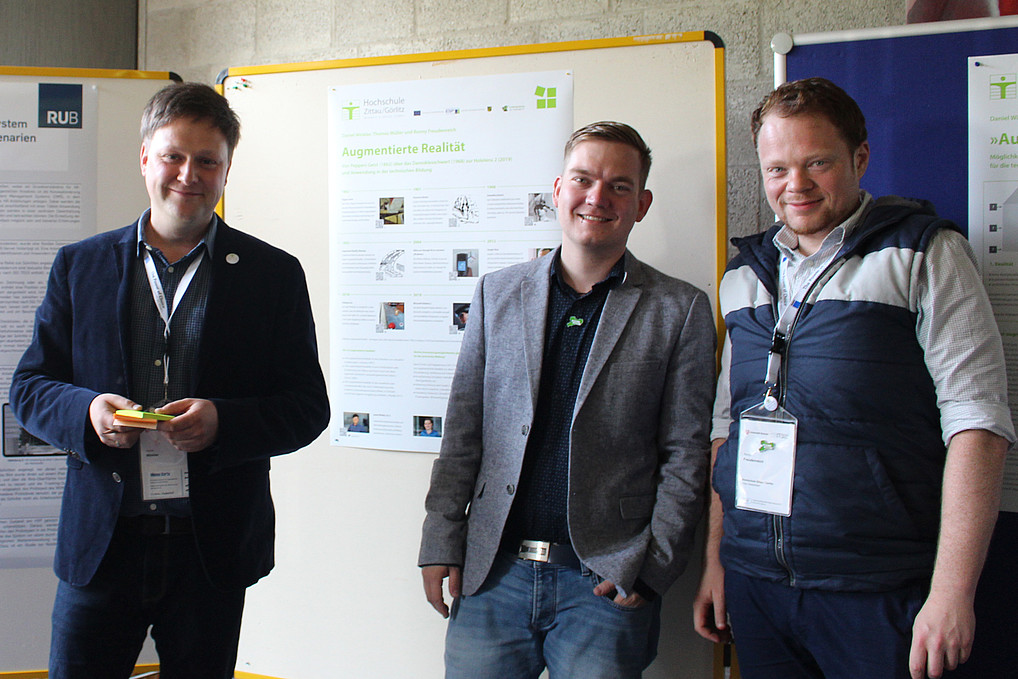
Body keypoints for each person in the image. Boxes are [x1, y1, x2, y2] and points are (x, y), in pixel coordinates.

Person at [693, 77, 1015, 679]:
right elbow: (724, 430)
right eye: (777, 169)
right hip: (757, 587)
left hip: (878, 589)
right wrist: (718, 560)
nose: (795, 185)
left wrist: (952, 592)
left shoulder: (924, 253)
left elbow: (978, 423)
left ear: (860, 158)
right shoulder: (743, 276)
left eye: (817, 162)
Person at [9, 82, 329, 679]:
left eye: (207, 160)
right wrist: (87, 413)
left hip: (209, 552)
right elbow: (28, 388)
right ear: (144, 159)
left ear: (227, 169)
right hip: (103, 547)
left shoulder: (272, 275)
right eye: (173, 156)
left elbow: (308, 407)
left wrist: (223, 423)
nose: (188, 175)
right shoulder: (81, 265)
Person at [419, 121, 716, 678]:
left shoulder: (679, 309)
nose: (597, 197)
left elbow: (686, 453)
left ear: (642, 204)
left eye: (619, 186)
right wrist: (441, 538)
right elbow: (463, 431)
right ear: (558, 191)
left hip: (604, 585)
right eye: (582, 179)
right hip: (492, 576)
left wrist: (654, 566)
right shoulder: (496, 293)